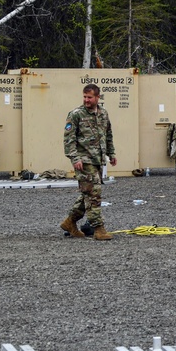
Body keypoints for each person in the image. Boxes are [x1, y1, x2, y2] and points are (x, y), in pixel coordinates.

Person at [60, 84, 117, 241]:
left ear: (97, 97)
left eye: (89, 97)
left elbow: (108, 135)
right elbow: (69, 139)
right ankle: (99, 229)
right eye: (84, 97)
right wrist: (75, 158)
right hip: (84, 161)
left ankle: (70, 222)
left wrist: (111, 154)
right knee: (94, 194)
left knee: (87, 193)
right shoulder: (76, 114)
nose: (86, 100)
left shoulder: (103, 114)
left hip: (97, 160)